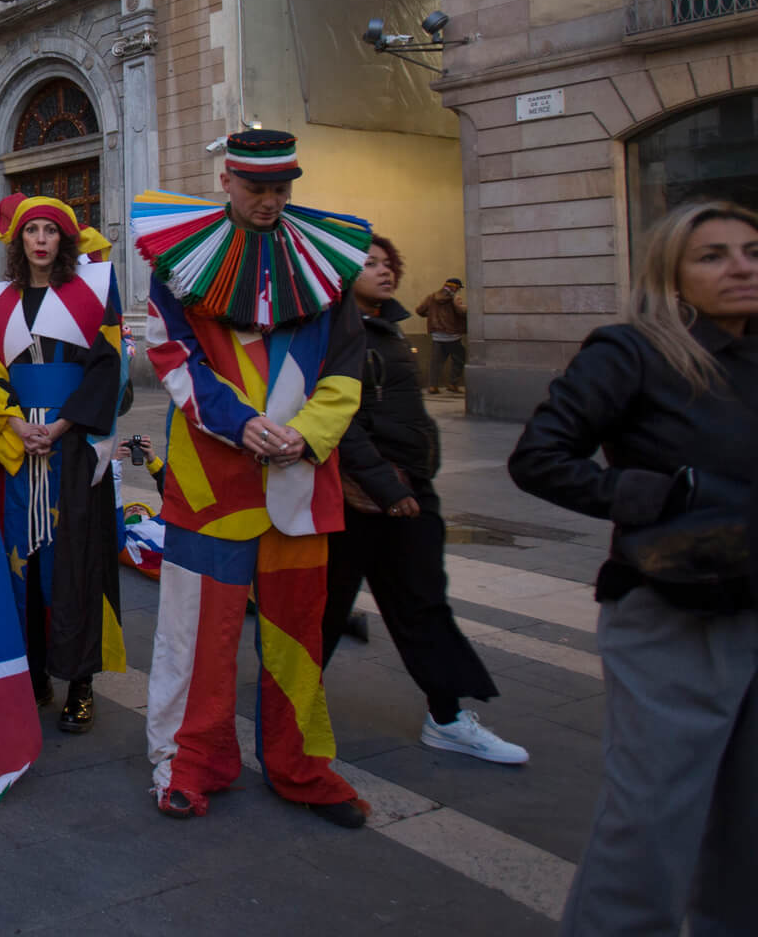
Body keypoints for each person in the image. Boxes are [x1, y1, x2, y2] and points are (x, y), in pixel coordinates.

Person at [509, 200, 757, 937]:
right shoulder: (634, 350)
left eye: (751, 249)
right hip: (674, 611)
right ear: (671, 274)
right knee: (653, 819)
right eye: (712, 254)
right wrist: (654, 493)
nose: (740, 266)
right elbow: (539, 457)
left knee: (748, 824)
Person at [135, 129, 372, 828]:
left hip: (301, 484)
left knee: (297, 636)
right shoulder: (178, 264)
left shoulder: (327, 265)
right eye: (256, 189)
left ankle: (301, 767)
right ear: (228, 183)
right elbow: (172, 354)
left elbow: (347, 365)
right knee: (195, 635)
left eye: (281, 190)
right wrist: (239, 423)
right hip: (211, 484)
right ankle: (189, 762)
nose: (269, 203)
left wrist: (311, 433)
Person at [322, 237, 526, 764]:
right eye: (370, 264)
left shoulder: (388, 329)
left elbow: (406, 414)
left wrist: (418, 472)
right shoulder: (333, 331)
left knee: (423, 603)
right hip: (359, 497)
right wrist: (386, 488)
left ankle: (449, 716)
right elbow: (339, 418)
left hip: (409, 492)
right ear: (343, 272)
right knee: (324, 610)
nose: (384, 271)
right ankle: (289, 707)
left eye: (389, 263)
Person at [0, 194, 131, 733]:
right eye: (31, 231)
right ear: (18, 241)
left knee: (76, 566)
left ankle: (80, 682)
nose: (40, 239)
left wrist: (63, 425)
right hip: (23, 452)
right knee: (29, 568)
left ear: (64, 240)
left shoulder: (91, 293)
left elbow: (107, 368)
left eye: (50, 230)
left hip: (73, 447)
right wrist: (17, 425)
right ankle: (35, 671)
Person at [416, 277, 467, 394]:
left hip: (437, 336)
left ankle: (432, 386)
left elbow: (419, 310)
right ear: (455, 288)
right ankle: (453, 384)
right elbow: (461, 312)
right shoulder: (454, 298)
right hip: (453, 335)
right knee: (460, 358)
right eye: (458, 288)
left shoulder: (431, 297)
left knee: (436, 362)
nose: (458, 291)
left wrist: (431, 315)